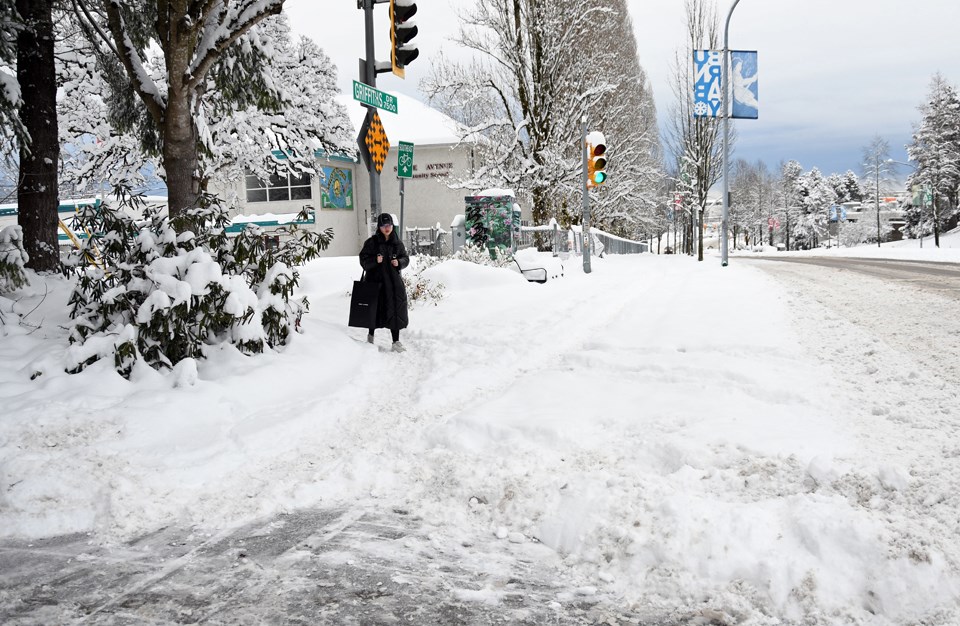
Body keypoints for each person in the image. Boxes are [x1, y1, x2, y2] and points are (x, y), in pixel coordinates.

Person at [359, 212, 410, 352]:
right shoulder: (371, 243)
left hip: (393, 284)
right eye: (383, 225)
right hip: (375, 283)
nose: (387, 228)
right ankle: (370, 336)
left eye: (389, 225)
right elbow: (363, 260)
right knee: (374, 310)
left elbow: (405, 258)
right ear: (379, 227)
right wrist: (375, 261)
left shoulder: (397, 243)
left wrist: (399, 262)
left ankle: (396, 342)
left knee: (395, 309)